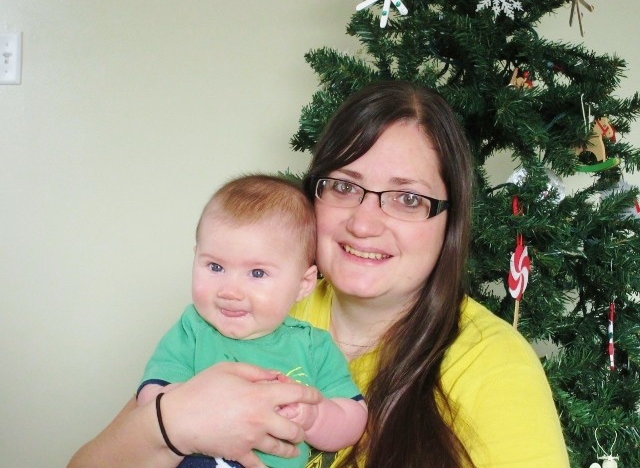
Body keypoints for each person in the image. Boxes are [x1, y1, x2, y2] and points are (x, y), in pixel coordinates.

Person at [68, 80, 569, 468]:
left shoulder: (495, 366)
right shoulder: (256, 308)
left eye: (408, 198)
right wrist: (170, 422)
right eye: (344, 187)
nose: (364, 223)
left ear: (449, 221)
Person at [136, 174, 367, 468]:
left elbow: (353, 418)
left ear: (303, 284)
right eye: (215, 267)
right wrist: (193, 406)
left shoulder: (313, 345)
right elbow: (150, 398)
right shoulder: (192, 328)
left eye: (257, 273)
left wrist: (314, 416)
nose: (230, 291)